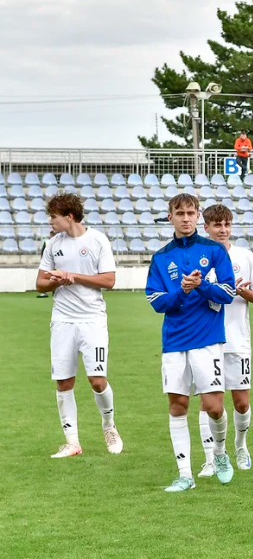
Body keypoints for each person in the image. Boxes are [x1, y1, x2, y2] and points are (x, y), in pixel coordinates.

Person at [145, 193, 236, 492]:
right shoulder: (160, 258)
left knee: (213, 407)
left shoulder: (215, 250)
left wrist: (203, 286)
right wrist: (182, 291)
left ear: (198, 216)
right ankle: (185, 473)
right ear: (170, 217)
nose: (185, 218)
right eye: (179, 213)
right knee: (177, 405)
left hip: (208, 338)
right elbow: (157, 301)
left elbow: (228, 293)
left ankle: (220, 454)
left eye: (190, 212)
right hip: (174, 340)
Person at [36, 193, 122, 459]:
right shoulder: (53, 245)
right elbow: (40, 283)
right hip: (62, 320)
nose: (50, 221)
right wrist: (58, 281)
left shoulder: (97, 240)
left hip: (92, 320)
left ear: (69, 216)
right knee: (63, 381)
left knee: (97, 381)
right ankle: (72, 441)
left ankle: (109, 427)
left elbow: (109, 280)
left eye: (54, 216)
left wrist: (73, 276)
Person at [197, 205, 253, 476]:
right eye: (217, 225)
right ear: (207, 228)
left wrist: (241, 291)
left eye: (226, 224)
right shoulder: (198, 257)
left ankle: (240, 444)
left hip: (238, 341)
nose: (222, 230)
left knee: (241, 402)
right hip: (205, 340)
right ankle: (211, 458)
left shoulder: (244, 256)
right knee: (208, 403)